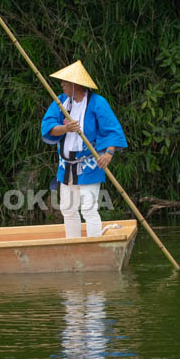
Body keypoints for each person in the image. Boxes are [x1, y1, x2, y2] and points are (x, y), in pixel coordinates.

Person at [40, 60, 127, 238]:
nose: (62, 85)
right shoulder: (61, 102)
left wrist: (109, 153)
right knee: (68, 209)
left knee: (88, 208)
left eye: (65, 82)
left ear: (75, 85)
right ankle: (74, 244)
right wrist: (65, 129)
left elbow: (112, 130)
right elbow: (48, 126)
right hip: (66, 166)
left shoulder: (97, 103)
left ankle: (95, 244)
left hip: (89, 164)